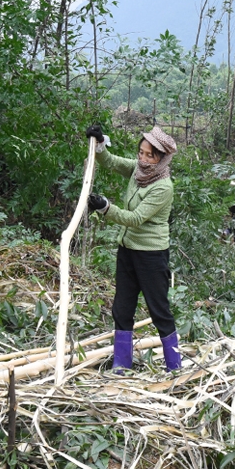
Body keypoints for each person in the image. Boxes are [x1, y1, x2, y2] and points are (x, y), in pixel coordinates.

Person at [85, 123, 182, 373]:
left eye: (150, 155)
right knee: (122, 307)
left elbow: (136, 218)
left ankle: (175, 366)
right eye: (141, 152)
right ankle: (121, 364)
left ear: (161, 158)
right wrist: (99, 144)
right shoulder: (139, 171)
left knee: (159, 309)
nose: (143, 158)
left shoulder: (163, 186)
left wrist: (106, 208)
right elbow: (113, 162)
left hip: (151, 255)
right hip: (127, 250)